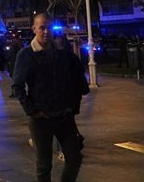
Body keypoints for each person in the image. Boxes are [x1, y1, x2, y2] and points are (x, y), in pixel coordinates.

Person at [12, 13, 89, 182]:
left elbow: (74, 75)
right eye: (42, 28)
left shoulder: (61, 53)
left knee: (74, 158)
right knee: (44, 165)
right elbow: (17, 86)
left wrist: (72, 105)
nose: (46, 32)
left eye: (49, 27)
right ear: (34, 29)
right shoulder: (26, 54)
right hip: (41, 118)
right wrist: (32, 110)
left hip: (64, 115)